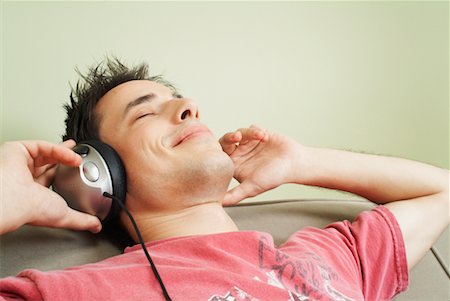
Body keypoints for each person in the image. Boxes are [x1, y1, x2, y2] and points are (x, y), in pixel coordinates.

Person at [0, 58, 448, 301]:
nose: (190, 106)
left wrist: (301, 162)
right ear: (98, 176)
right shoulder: (77, 293)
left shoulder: (328, 257)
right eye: (145, 112)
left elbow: (442, 192)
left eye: (180, 100)